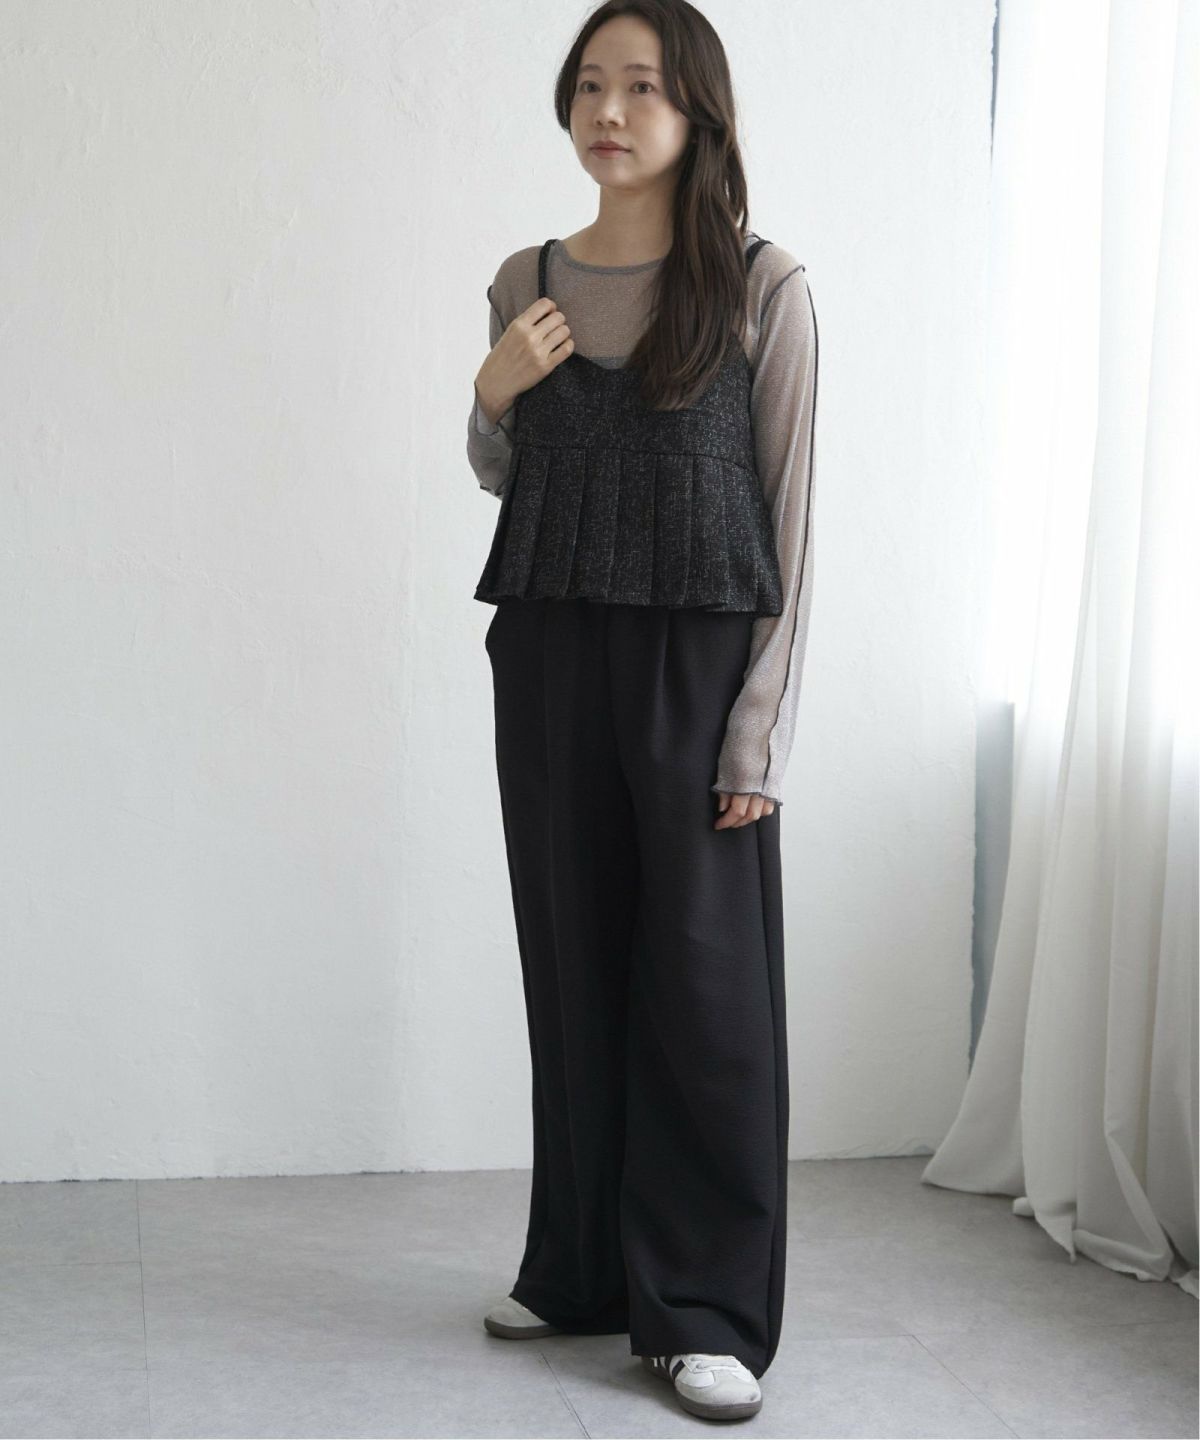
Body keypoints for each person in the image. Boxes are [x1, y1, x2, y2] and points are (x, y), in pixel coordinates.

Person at [465, 0, 818, 1422]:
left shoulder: (761, 285)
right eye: (590, 86)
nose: (610, 112)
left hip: (699, 664)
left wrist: (758, 732)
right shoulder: (523, 280)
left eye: (644, 88)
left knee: (704, 995)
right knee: (573, 967)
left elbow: (794, 521)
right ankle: (580, 1271)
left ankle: (705, 1309)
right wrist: (490, 392)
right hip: (552, 646)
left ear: (697, 112)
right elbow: (507, 470)